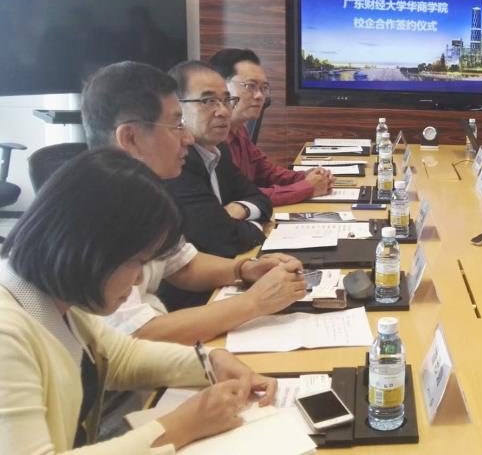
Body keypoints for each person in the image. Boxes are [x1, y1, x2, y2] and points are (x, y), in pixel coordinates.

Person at [0, 148, 277, 453]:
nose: (137, 280)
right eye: (137, 261)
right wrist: (182, 426)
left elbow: (121, 356)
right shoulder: (7, 335)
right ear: (86, 249)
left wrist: (210, 362)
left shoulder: (56, 298)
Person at [81, 61, 305, 343]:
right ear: (131, 138)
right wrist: (254, 303)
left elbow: (184, 265)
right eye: (177, 125)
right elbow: (137, 335)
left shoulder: (143, 195)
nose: (187, 137)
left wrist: (245, 270)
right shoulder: (96, 212)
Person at [165, 60, 272, 259]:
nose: (223, 111)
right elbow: (222, 239)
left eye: (226, 100)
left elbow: (260, 199)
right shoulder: (174, 161)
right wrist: (257, 226)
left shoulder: (217, 149)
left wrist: (240, 208)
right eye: (208, 101)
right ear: (176, 108)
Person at [210, 48, 334, 206]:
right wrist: (307, 187)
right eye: (250, 86)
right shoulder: (211, 140)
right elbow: (240, 197)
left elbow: (267, 172)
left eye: (263, 88)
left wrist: (306, 176)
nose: (259, 96)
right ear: (221, 87)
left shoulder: (240, 130)